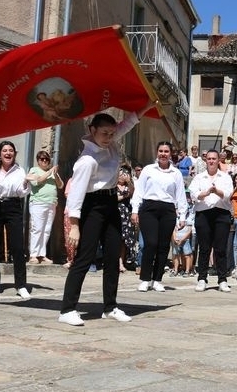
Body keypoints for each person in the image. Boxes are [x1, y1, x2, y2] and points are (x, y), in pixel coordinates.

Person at [58, 101, 157, 326]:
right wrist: (74, 225)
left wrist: (146, 106)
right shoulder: (87, 161)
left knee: (113, 256)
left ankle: (110, 307)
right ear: (92, 130)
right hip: (92, 206)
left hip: (111, 203)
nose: (109, 137)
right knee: (84, 258)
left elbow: (127, 124)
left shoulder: (110, 142)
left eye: (112, 133)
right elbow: (76, 195)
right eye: (104, 133)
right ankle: (67, 309)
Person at [132, 141, 188, 293]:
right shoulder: (148, 170)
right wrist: (135, 210)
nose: (163, 154)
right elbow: (139, 191)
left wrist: (183, 216)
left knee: (163, 246)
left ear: (170, 154)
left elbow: (180, 195)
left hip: (168, 210)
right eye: (161, 151)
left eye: (166, 151)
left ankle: (157, 280)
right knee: (150, 243)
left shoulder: (176, 173)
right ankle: (145, 279)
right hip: (149, 209)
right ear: (157, 153)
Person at [0, 141, 31, 299]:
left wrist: (26, 182)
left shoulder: (19, 170)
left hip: (13, 206)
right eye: (5, 150)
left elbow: (22, 192)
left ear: (14, 154)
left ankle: (21, 285)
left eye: (11, 150)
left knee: (17, 247)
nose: (8, 153)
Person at [188, 149, 234, 292]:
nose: (211, 161)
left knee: (220, 249)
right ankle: (202, 278)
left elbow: (228, 194)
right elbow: (193, 194)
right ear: (205, 160)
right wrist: (206, 193)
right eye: (209, 159)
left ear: (218, 160)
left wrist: (216, 191)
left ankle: (222, 280)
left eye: (214, 158)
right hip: (203, 214)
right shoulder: (199, 177)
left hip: (221, 214)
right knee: (204, 248)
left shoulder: (225, 177)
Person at [26, 150, 63, 265]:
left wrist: (55, 174)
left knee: (46, 230)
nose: (45, 161)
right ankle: (33, 255)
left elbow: (61, 185)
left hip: (51, 203)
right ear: (38, 161)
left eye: (47, 159)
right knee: (37, 228)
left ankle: (41, 255)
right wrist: (50, 172)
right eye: (42, 159)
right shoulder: (34, 170)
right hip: (38, 203)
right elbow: (37, 181)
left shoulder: (52, 172)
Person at [171, 191, 195, 276]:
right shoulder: (176, 217)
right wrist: (174, 237)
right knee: (176, 254)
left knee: (187, 254)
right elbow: (173, 228)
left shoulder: (189, 217)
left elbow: (189, 230)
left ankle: (188, 270)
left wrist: (182, 239)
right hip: (176, 238)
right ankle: (176, 270)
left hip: (185, 239)